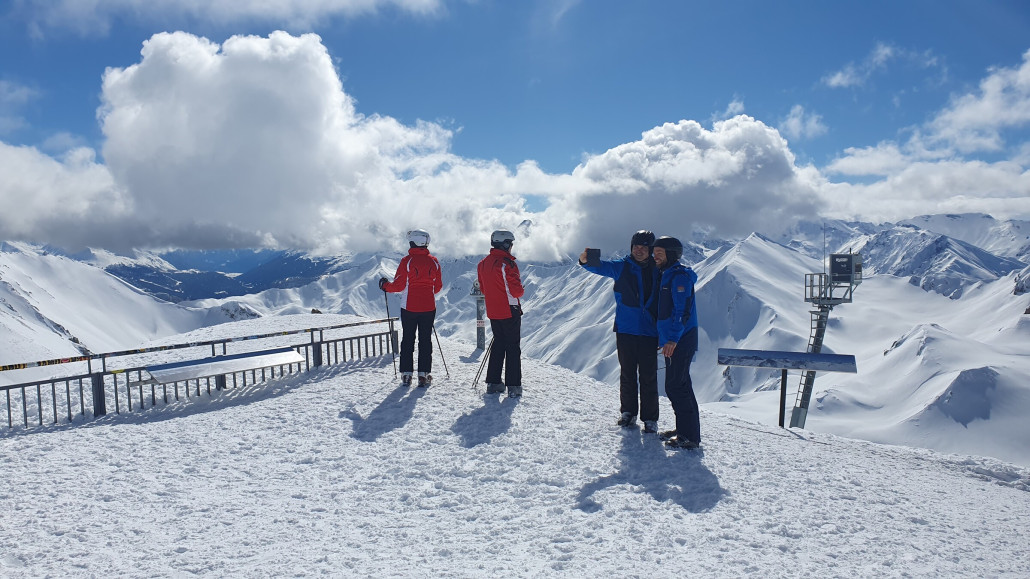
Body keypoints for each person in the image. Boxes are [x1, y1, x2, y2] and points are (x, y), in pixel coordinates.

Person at [578, 230, 661, 433]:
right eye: (635, 246)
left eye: (643, 247)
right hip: (626, 330)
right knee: (627, 374)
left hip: (650, 331)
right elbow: (600, 267)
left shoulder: (659, 270)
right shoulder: (622, 267)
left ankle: (650, 419)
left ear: (650, 250)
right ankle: (628, 413)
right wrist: (584, 260)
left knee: (648, 376)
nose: (638, 250)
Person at [651, 236, 701, 450]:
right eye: (655, 252)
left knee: (676, 386)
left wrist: (673, 339)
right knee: (682, 385)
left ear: (671, 254)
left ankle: (688, 438)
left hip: (681, 339)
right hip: (677, 339)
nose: (655, 256)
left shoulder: (679, 277)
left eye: (660, 253)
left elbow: (682, 311)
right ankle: (685, 430)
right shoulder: (667, 274)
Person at [379, 229, 443, 387]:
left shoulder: (406, 261)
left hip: (409, 307)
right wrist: (427, 293)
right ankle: (424, 374)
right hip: (429, 307)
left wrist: (385, 286)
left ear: (413, 242)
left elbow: (399, 286)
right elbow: (438, 286)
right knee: (425, 340)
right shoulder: (434, 261)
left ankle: (406, 374)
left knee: (408, 339)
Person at [477, 230, 525, 398]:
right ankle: (514, 386)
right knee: (512, 347)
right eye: (511, 244)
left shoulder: (483, 263)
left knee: (498, 345)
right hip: (509, 309)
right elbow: (517, 291)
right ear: (505, 244)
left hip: (493, 311)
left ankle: (494, 382)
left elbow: (483, 288)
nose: (511, 247)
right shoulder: (507, 264)